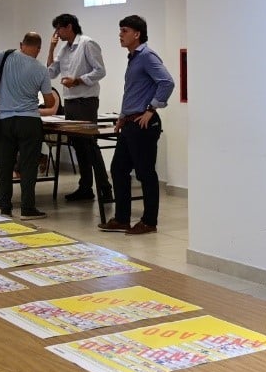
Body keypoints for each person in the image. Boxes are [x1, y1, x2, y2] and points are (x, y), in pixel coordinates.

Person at [98, 15, 174, 236]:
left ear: (137, 34)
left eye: (124, 31)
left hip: (144, 124)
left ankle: (149, 222)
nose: (120, 35)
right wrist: (123, 116)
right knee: (118, 169)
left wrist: (152, 109)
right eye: (120, 31)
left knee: (145, 173)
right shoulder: (133, 58)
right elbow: (133, 91)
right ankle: (122, 219)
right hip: (131, 122)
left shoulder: (147, 56)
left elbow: (167, 82)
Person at [0, 32, 57, 219]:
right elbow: (49, 100)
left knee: (4, 165)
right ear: (38, 48)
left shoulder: (6, 55)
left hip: (4, 121)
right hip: (29, 121)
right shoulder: (40, 69)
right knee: (28, 165)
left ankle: (5, 207)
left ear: (22, 44)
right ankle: (28, 207)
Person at [47, 13, 113, 202]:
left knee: (90, 145)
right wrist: (51, 48)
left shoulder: (87, 43)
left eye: (59, 28)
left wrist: (78, 81)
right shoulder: (63, 48)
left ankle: (105, 189)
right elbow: (51, 72)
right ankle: (85, 188)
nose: (57, 33)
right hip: (70, 101)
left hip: (85, 101)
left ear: (69, 27)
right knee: (78, 146)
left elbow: (100, 71)